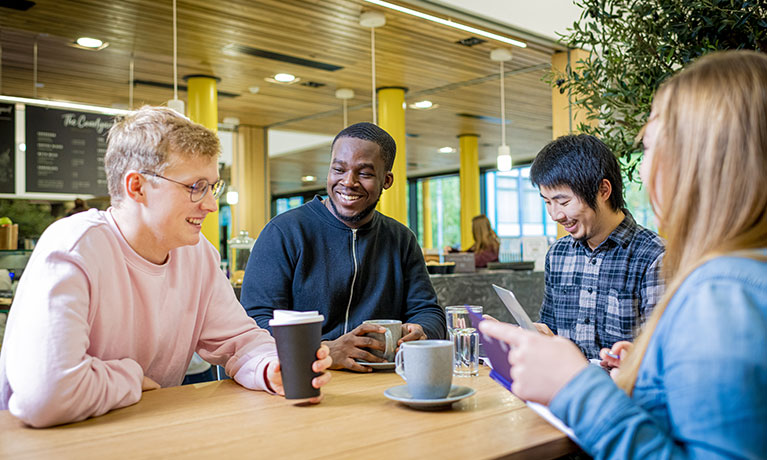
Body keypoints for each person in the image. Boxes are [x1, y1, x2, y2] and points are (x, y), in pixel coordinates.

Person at [479, 50, 767, 458]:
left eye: (648, 148)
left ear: (704, 161)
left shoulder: (722, 291)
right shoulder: (742, 275)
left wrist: (574, 386)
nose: (643, 170)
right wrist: (651, 369)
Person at [0, 106, 332, 428]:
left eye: (212, 186)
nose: (211, 205)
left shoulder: (197, 253)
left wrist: (270, 366)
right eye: (195, 187)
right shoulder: (75, 247)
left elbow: (239, 340)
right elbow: (46, 396)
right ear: (137, 187)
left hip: (144, 431)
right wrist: (130, 378)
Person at [240, 122, 446, 372]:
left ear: (386, 180)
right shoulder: (284, 232)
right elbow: (255, 323)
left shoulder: (401, 239)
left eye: (365, 174)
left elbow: (429, 312)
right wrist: (323, 350)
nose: (348, 182)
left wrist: (421, 331)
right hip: (304, 380)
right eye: (339, 169)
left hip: (382, 382)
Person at [529, 134, 665, 359]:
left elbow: (660, 354)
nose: (555, 214)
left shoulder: (654, 256)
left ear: (603, 190)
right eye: (547, 202)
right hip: (564, 387)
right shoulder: (558, 254)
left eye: (563, 202)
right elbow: (550, 327)